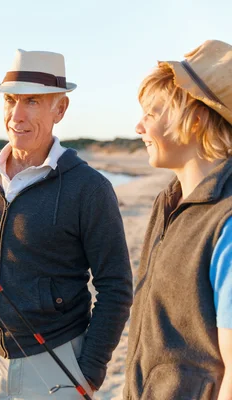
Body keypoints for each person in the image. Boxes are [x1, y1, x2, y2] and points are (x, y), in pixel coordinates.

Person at [0, 49, 133, 399]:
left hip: (58, 362)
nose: (16, 115)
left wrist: (91, 370)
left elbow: (116, 286)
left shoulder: (90, 188)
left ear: (59, 109)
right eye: (11, 100)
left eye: (32, 101)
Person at [124, 40, 232, 400]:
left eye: (152, 113)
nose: (139, 126)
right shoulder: (167, 202)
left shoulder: (226, 220)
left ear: (197, 118)